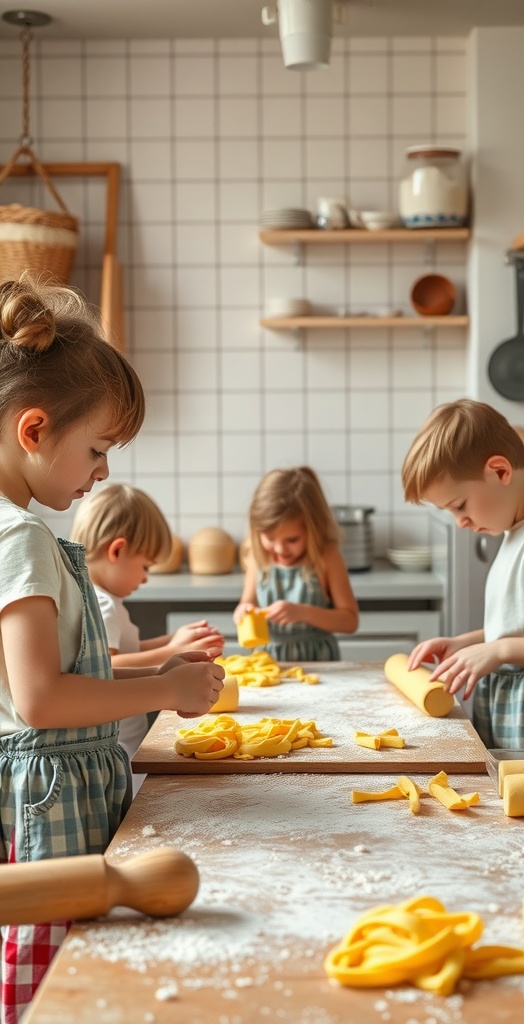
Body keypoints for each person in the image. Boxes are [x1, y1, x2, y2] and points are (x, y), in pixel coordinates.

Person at [0, 274, 224, 1023]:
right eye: (97, 450)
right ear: (34, 432)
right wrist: (165, 687)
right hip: (50, 794)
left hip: (45, 787)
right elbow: (42, 699)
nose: (103, 474)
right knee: (64, 987)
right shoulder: (21, 537)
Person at [402, 398, 524, 750]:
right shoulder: (520, 529)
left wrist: (499, 651)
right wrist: (467, 643)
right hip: (516, 712)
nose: (460, 522)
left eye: (459, 505)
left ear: (499, 471)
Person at [71, 483, 225, 795]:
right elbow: (109, 664)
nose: (144, 578)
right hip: (119, 744)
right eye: (144, 567)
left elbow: (127, 650)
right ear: (117, 551)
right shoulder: (101, 603)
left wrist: (171, 641)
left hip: (124, 737)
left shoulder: (106, 601)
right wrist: (171, 650)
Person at [234, 466, 359, 661]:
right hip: (269, 661)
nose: (279, 549)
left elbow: (350, 621)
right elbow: (247, 602)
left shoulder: (327, 556)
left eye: (292, 540)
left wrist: (302, 612)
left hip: (319, 663)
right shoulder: (258, 557)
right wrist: (243, 611)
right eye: (269, 538)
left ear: (314, 529)